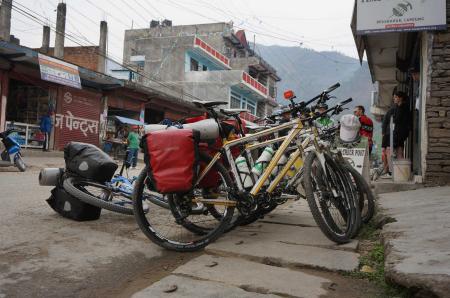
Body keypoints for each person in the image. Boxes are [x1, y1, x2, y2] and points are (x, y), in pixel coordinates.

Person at [392, 91, 411, 159]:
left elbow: (397, 119)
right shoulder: (397, 107)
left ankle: (401, 165)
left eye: (396, 97)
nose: (394, 99)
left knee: (399, 150)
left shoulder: (403, 107)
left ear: (400, 98)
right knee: (398, 149)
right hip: (398, 131)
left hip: (401, 131)